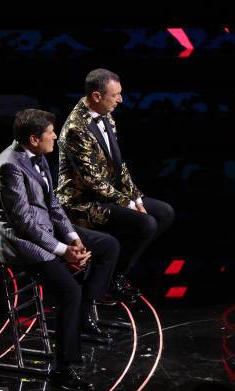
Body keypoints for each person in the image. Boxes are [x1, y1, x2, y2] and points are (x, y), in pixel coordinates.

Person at [0, 109, 120, 391]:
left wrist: (73, 238)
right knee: (69, 290)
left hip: (47, 231)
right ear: (35, 139)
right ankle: (64, 369)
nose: (56, 136)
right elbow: (24, 224)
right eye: (51, 132)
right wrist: (63, 250)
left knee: (107, 246)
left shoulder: (40, 156)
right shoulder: (9, 167)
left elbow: (53, 205)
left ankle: (80, 319)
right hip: (23, 245)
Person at [56, 68, 174, 302]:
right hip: (82, 202)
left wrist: (136, 198)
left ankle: (114, 274)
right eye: (115, 95)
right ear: (97, 96)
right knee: (146, 223)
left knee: (165, 213)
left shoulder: (106, 115)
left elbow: (118, 166)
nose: (120, 100)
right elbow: (93, 182)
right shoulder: (75, 129)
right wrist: (128, 204)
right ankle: (111, 277)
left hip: (107, 195)